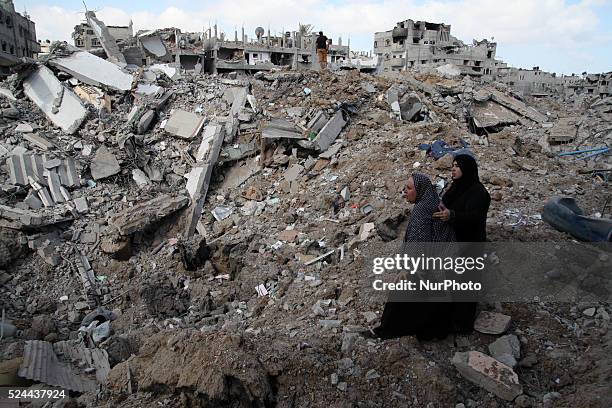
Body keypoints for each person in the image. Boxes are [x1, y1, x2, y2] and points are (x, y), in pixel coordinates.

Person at [371, 173, 456, 340]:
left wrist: (407, 269)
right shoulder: (432, 201)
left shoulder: (421, 211)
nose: (405, 191)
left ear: (420, 190)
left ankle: (388, 331)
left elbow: (418, 244)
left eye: (409, 188)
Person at [433, 153, 491, 332]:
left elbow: (475, 217)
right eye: (453, 165)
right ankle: (451, 320)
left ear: (467, 169)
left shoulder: (479, 193)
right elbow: (447, 203)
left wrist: (452, 215)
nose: (453, 169)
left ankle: (463, 325)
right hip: (454, 243)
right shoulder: (456, 187)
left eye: (458, 166)